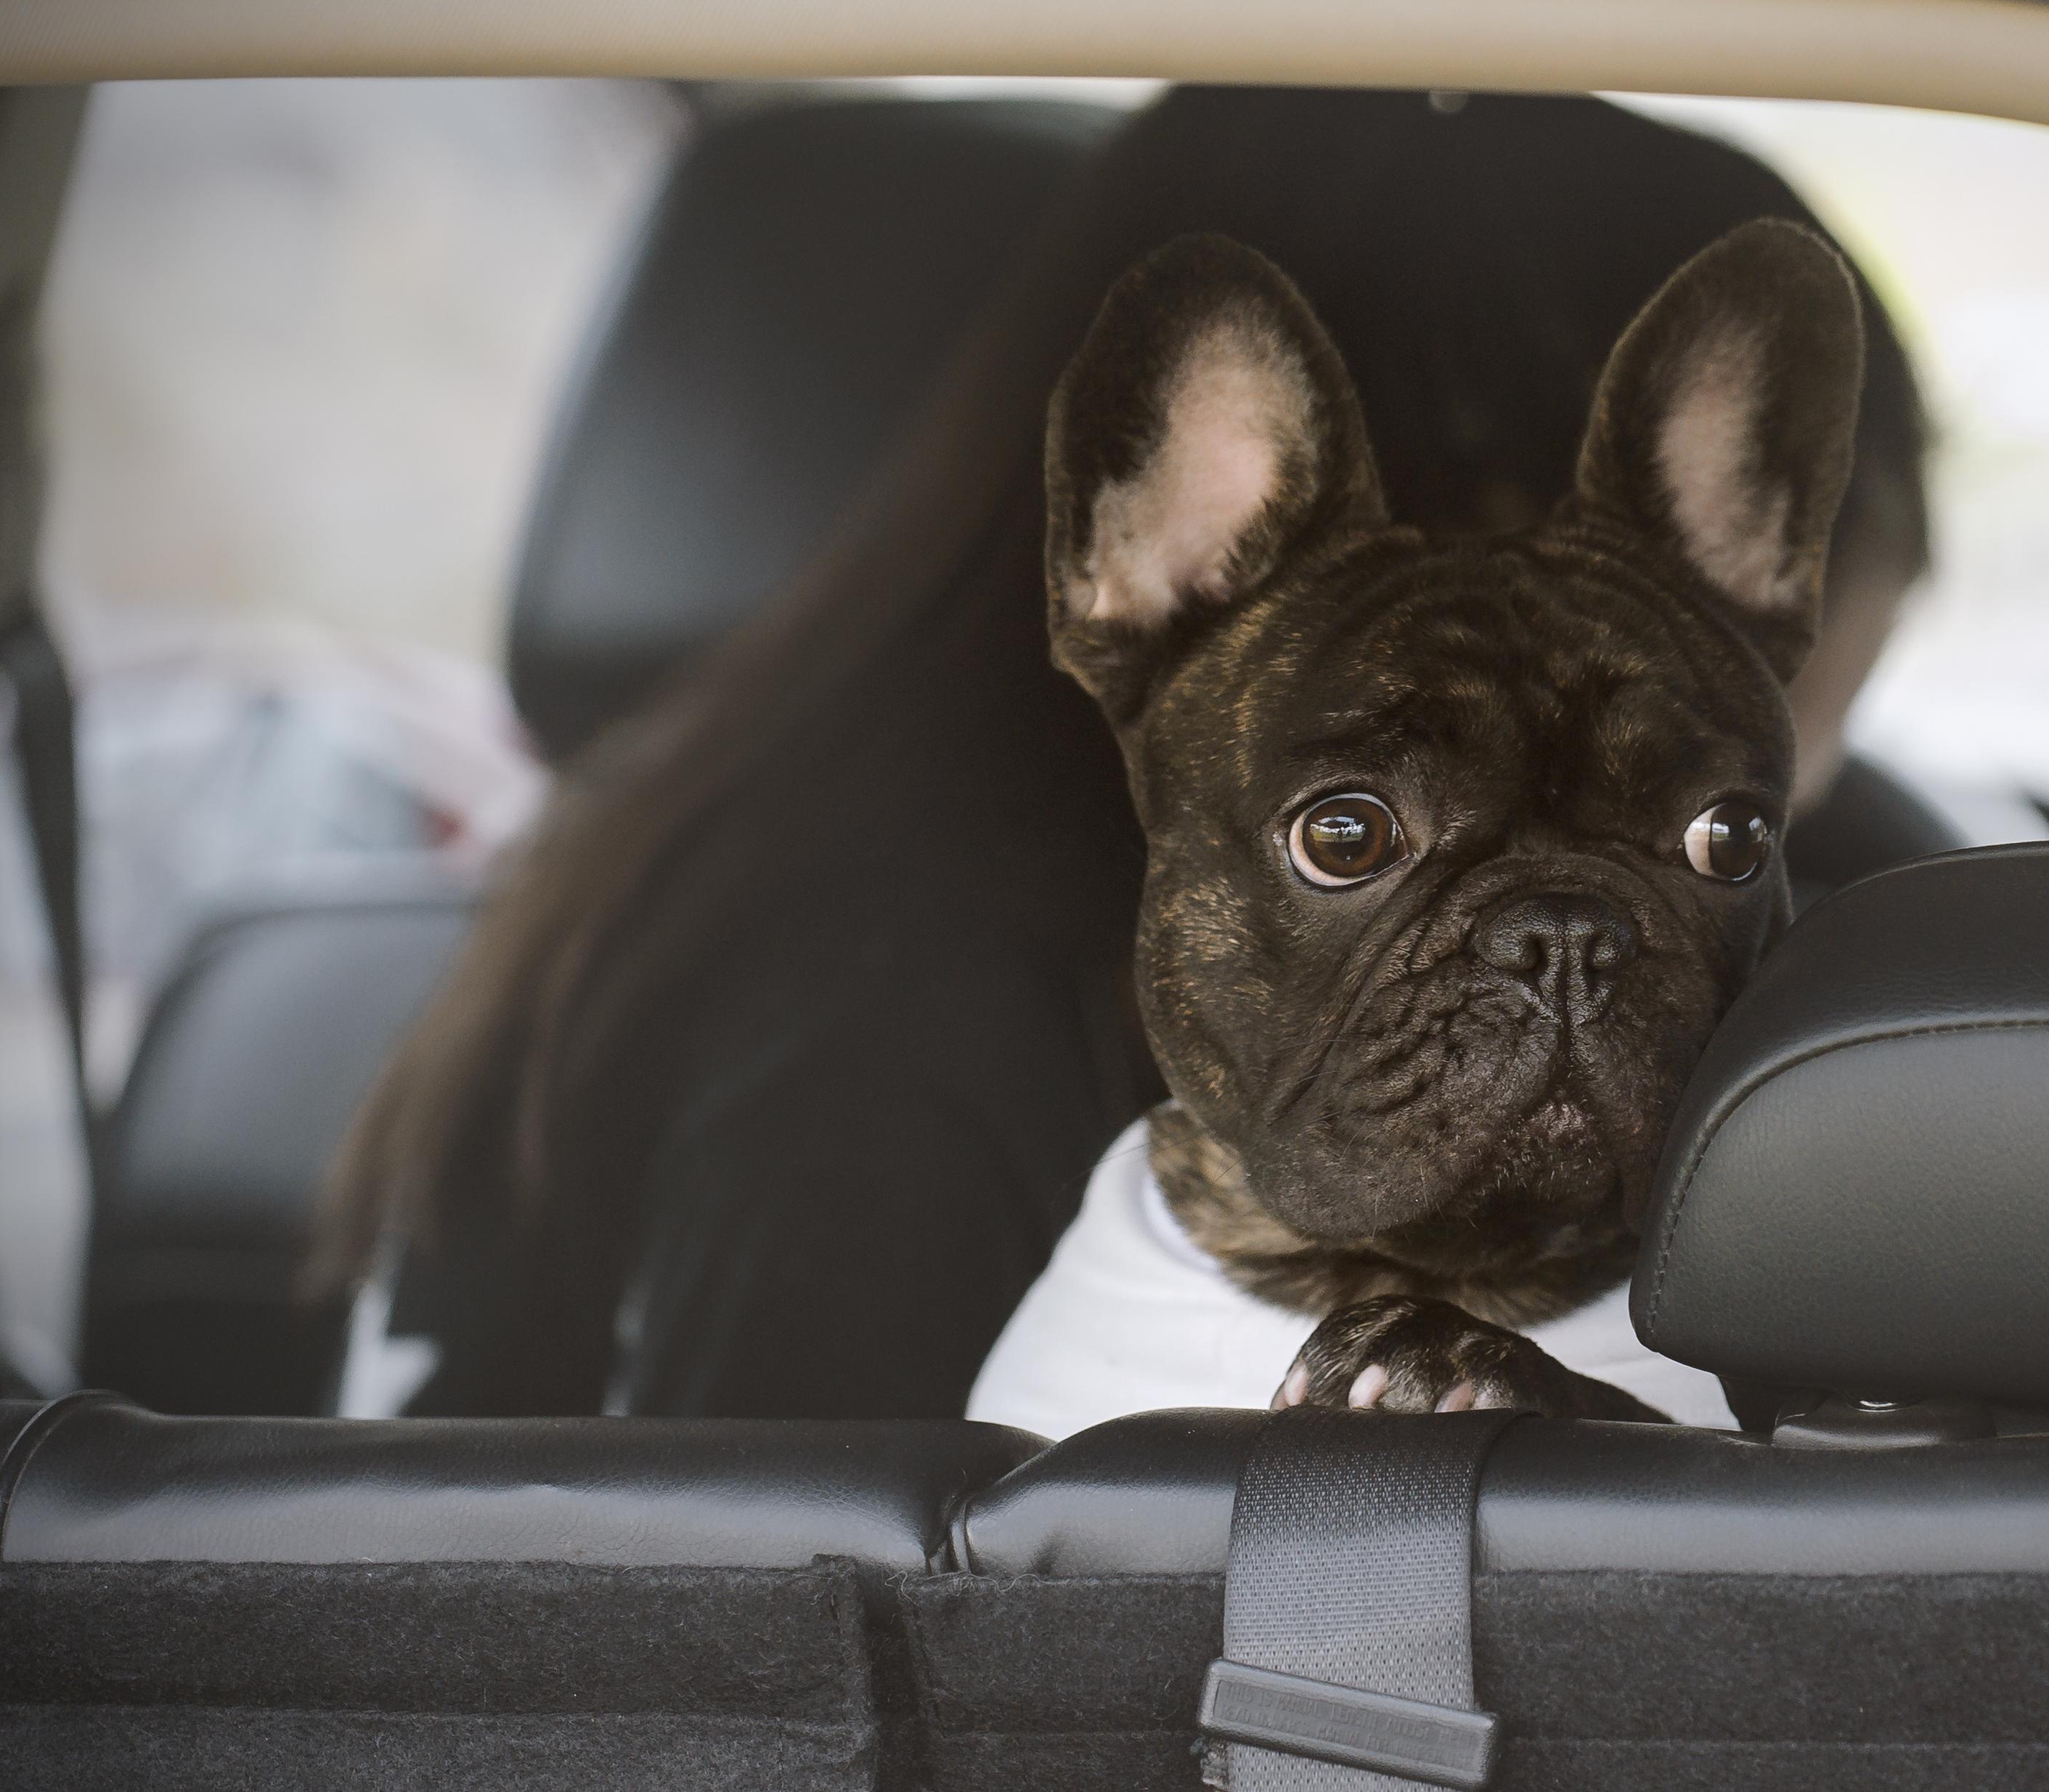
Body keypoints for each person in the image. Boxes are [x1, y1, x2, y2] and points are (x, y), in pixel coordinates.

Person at [313, 86, 1931, 1421]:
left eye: (1712, 835)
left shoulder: (748, 869)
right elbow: (791, 1654)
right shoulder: (903, 1028)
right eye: (1358, 835)